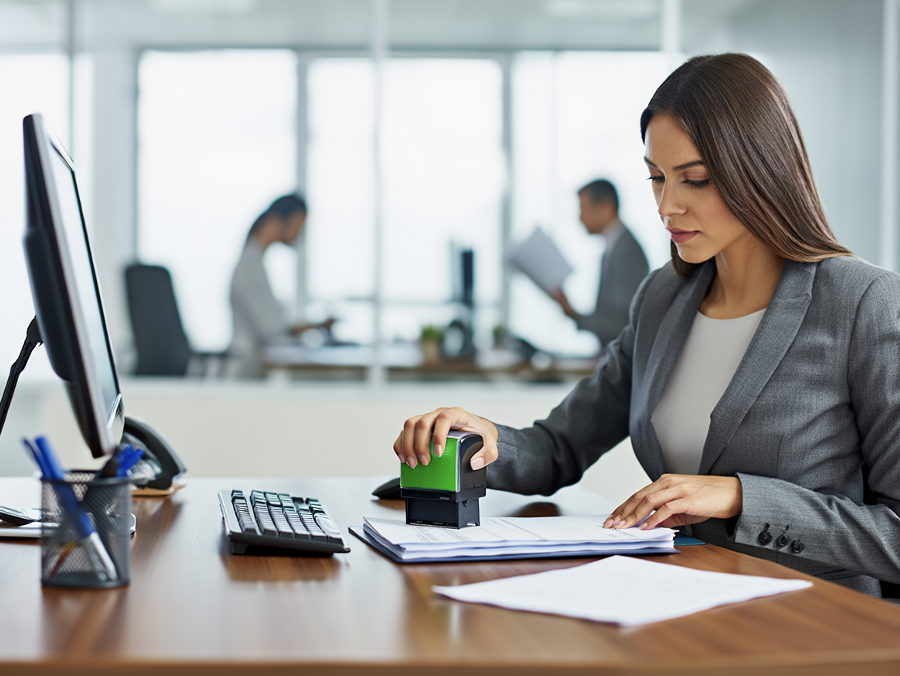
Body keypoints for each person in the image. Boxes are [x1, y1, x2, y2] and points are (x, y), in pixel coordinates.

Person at [392, 53, 900, 596]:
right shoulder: (664, 297)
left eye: (695, 180)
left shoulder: (862, 302)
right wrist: (485, 439)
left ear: (762, 169)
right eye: (656, 178)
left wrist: (739, 497)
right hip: (676, 603)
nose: (666, 206)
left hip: (813, 624)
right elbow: (560, 447)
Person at [227, 194, 332, 377]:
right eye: (297, 226)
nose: (299, 235)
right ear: (275, 222)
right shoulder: (249, 266)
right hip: (247, 371)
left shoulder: (256, 262)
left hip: (258, 366)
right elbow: (271, 330)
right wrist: (311, 327)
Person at [552, 179, 649, 346]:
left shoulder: (626, 251)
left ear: (606, 207)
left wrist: (575, 315)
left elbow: (622, 322)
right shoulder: (614, 247)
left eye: (584, 209)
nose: (580, 218)